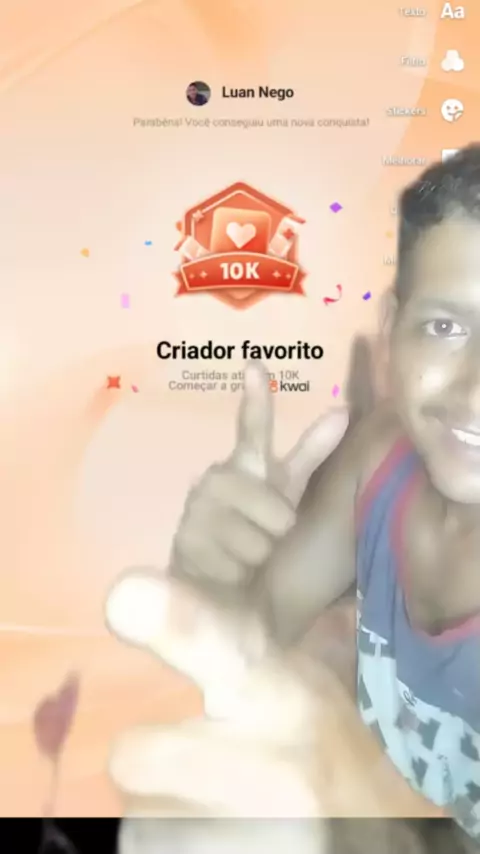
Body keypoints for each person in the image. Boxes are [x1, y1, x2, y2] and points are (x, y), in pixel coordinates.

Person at [106, 144, 480, 850]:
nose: (475, 390)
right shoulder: (380, 461)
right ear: (392, 331)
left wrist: (361, 826)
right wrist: (215, 587)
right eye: (446, 328)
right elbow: (262, 629)